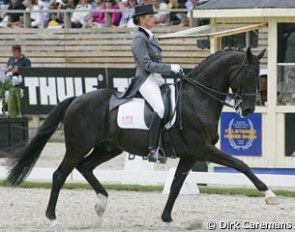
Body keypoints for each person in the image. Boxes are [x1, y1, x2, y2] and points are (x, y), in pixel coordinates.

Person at [129, 4, 182, 162]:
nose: (154, 19)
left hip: (156, 79)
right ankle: (153, 149)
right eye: (151, 17)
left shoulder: (150, 36)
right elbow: (147, 65)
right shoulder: (139, 38)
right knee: (160, 108)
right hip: (144, 80)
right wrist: (170, 68)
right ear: (142, 19)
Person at [5, 45, 31, 117]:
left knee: (21, 107)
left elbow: (29, 72)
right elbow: (6, 68)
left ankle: (23, 121)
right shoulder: (11, 59)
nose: (13, 54)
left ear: (18, 52)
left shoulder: (26, 61)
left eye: (15, 53)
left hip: (21, 87)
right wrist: (8, 70)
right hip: (11, 86)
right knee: (11, 106)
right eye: (12, 53)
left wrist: (19, 69)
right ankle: (13, 121)